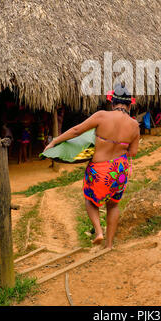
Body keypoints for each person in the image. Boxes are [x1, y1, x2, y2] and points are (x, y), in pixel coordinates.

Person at [44, 85, 140, 249]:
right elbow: (133, 152)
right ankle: (109, 245)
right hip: (120, 170)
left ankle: (98, 231)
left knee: (90, 201)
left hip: (99, 168)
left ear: (112, 103)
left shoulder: (102, 116)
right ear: (130, 105)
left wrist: (54, 141)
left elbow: (76, 131)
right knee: (113, 205)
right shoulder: (134, 125)